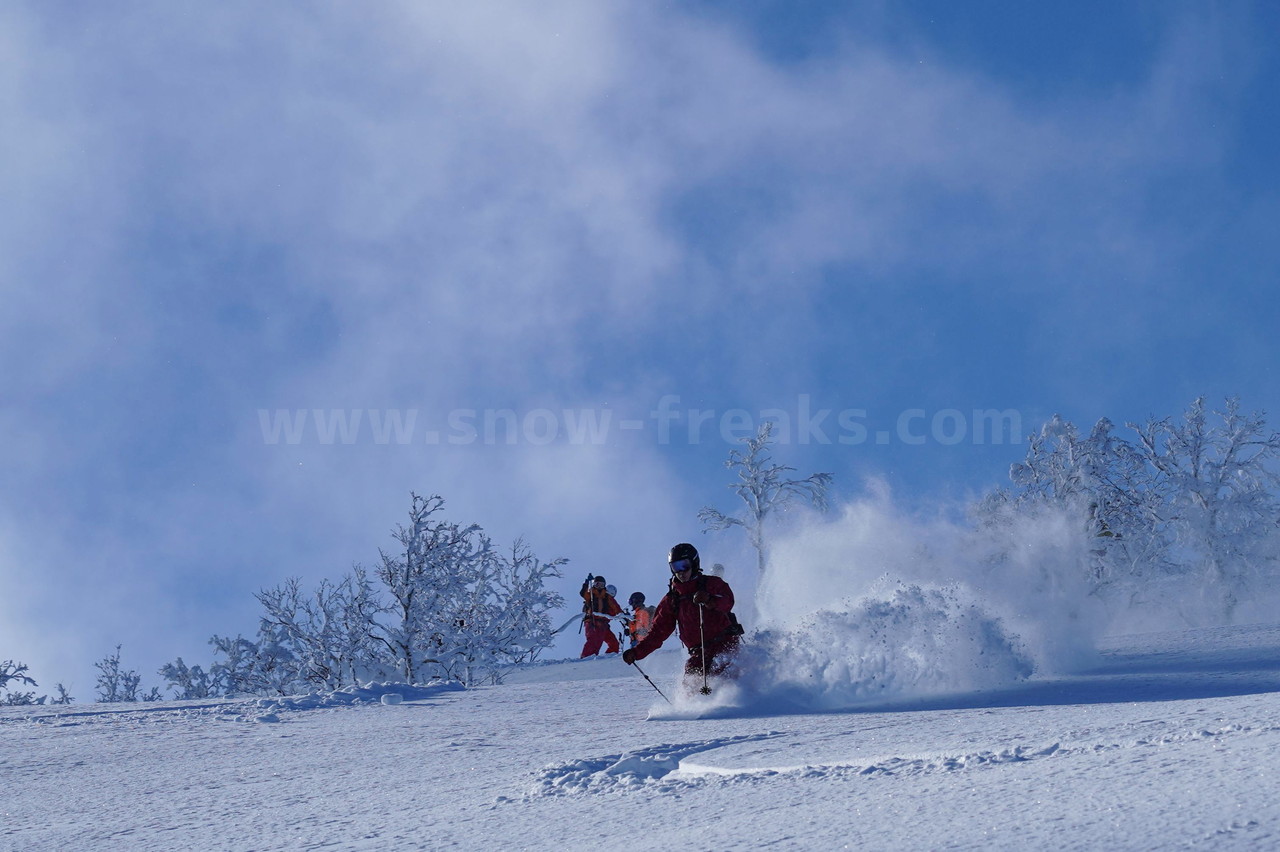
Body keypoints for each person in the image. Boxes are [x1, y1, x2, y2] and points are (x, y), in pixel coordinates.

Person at [622, 543, 743, 683]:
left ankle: (748, 701)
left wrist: (710, 600)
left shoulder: (712, 584)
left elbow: (728, 602)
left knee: (727, 683)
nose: (680, 572)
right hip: (698, 654)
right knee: (691, 689)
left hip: (725, 646)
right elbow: (658, 632)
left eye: (684, 565)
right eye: (675, 567)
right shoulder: (672, 599)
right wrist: (637, 652)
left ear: (694, 563)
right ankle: (693, 706)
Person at [580, 575, 622, 657]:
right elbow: (583, 593)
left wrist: (622, 615)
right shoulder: (591, 595)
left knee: (614, 643)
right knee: (593, 641)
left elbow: (615, 607)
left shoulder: (607, 597)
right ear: (594, 585)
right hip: (592, 622)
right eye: (597, 584)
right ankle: (586, 658)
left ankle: (608, 658)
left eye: (601, 585)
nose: (599, 587)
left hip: (603, 624)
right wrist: (586, 583)